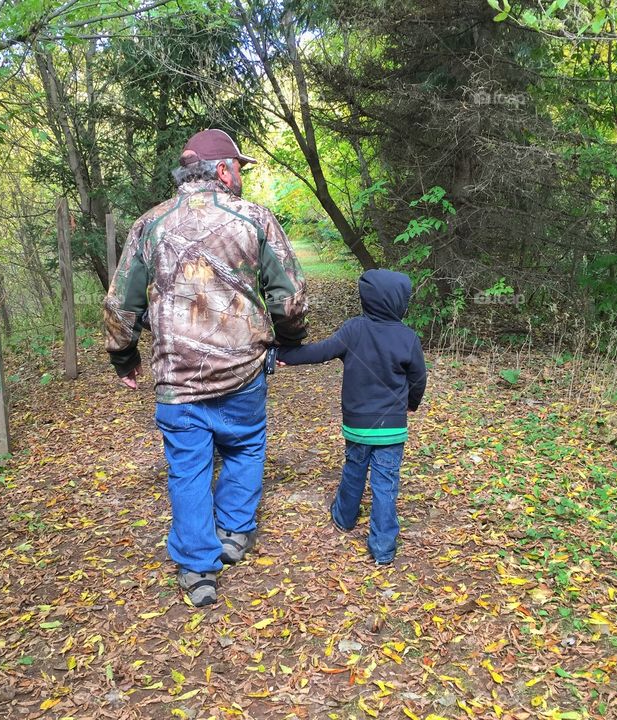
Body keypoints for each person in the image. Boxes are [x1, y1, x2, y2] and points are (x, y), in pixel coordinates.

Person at [103, 129, 308, 606]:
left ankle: (198, 570)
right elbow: (290, 297)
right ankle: (234, 533)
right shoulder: (255, 219)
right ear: (221, 170)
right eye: (238, 167)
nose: (241, 176)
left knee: (188, 468)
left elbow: (121, 304)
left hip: (177, 380)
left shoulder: (149, 225)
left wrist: (124, 355)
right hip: (243, 372)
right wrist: (290, 338)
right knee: (245, 446)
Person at [277, 269, 426, 565]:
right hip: (391, 428)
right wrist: (412, 403)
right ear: (399, 302)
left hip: (357, 425)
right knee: (386, 482)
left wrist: (285, 354)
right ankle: (383, 547)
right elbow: (418, 377)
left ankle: (344, 517)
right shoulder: (408, 337)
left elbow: (321, 351)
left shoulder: (353, 329)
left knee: (354, 469)